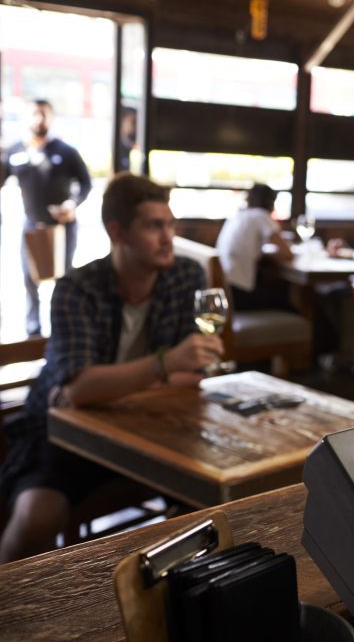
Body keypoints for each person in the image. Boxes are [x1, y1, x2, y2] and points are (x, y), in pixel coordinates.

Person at [0, 173, 224, 563]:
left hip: (152, 428)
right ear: (117, 231)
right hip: (63, 435)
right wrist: (164, 364)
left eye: (170, 225)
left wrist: (110, 386)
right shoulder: (78, 288)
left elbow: (195, 373)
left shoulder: (186, 276)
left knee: (215, 498)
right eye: (155, 226)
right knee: (37, 517)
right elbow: (76, 391)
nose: (168, 237)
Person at [3, 100, 92, 336]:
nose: (39, 119)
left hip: (62, 226)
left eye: (44, 114)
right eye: (34, 114)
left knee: (64, 279)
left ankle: (63, 327)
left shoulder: (65, 151)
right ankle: (34, 331)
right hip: (32, 224)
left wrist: (73, 204)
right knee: (29, 277)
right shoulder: (16, 151)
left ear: (51, 118)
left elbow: (86, 182)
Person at [215, 183, 295, 311]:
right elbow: (288, 253)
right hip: (238, 294)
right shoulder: (260, 215)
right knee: (289, 302)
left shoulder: (238, 215)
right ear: (271, 201)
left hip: (226, 289)